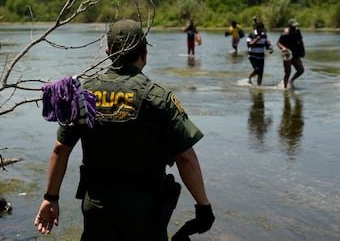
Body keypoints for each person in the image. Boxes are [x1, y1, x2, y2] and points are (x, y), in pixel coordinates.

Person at [34, 19, 215, 240]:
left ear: (109, 52)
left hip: (97, 207)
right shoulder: (158, 98)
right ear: (144, 53)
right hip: (145, 212)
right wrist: (203, 206)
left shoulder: (83, 93)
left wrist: (50, 197)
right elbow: (185, 158)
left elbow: (60, 149)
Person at [276, 18, 305, 89]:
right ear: (289, 26)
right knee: (287, 73)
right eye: (293, 27)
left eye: (295, 26)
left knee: (301, 70)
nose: (294, 28)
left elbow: (301, 41)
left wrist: (303, 51)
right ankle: (285, 89)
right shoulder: (284, 34)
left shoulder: (297, 31)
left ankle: (291, 81)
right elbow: (278, 43)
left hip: (295, 53)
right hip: (287, 54)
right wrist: (283, 48)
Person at [246, 21, 273, 86]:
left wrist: (269, 48)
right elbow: (249, 45)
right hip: (253, 56)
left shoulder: (264, 35)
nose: (261, 30)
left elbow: (266, 45)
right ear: (257, 29)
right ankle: (249, 76)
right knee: (257, 70)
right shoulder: (251, 35)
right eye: (260, 29)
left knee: (261, 72)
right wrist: (256, 40)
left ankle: (259, 86)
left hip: (261, 56)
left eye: (262, 29)